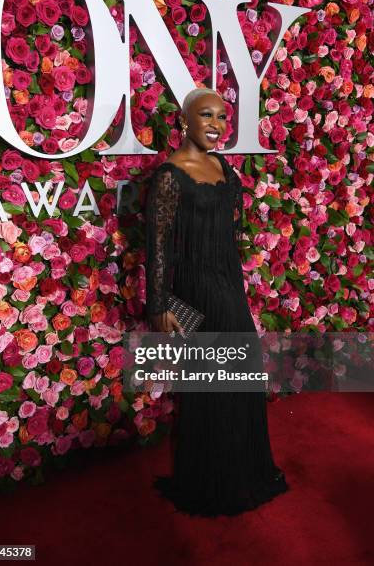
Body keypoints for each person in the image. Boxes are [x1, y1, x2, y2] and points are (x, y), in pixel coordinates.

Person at [144, 87, 289, 517]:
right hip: (194, 287)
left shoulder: (222, 165)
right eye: (205, 115)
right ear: (184, 121)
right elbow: (156, 244)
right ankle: (215, 481)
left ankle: (240, 470)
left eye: (222, 118)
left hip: (227, 281)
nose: (215, 124)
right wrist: (159, 304)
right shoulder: (170, 175)